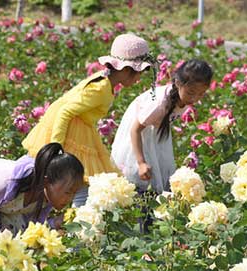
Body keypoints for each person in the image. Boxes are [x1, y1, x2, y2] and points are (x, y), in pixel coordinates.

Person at [21, 34, 153, 207]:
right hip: (68, 131)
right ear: (128, 70)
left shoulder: (103, 79)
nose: (138, 79)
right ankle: (78, 221)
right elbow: (65, 112)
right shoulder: (101, 88)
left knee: (79, 181)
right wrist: (56, 148)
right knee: (83, 183)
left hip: (80, 129)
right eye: (139, 74)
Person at [112, 59, 213, 194]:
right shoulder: (159, 104)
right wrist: (141, 163)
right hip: (138, 138)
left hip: (154, 134)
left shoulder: (181, 98)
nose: (195, 98)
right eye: (191, 92)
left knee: (159, 174)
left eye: (201, 93)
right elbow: (135, 130)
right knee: (136, 179)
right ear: (178, 83)